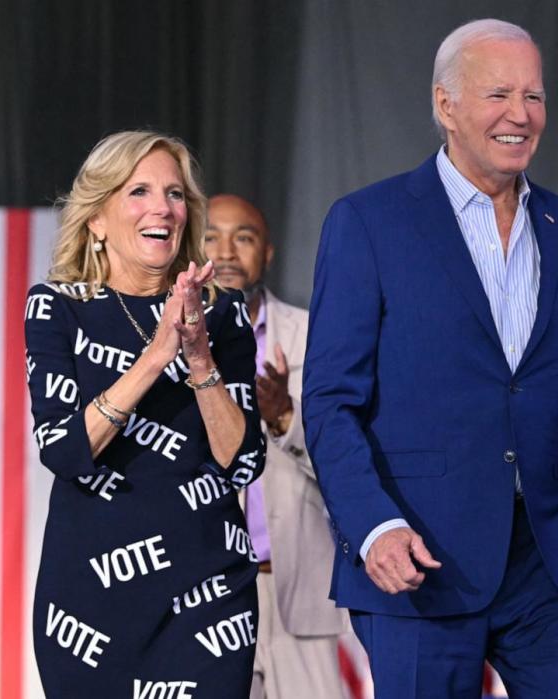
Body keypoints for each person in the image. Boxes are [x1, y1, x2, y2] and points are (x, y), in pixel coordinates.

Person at [302, 18, 558, 698]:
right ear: (445, 105)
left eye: (534, 96)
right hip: (421, 555)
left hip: (548, 564)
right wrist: (374, 525)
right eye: (498, 95)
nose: (521, 115)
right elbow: (329, 401)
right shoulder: (368, 222)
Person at [25, 131, 266, 696]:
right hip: (92, 605)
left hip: (209, 598)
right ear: (98, 220)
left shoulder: (223, 314)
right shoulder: (58, 307)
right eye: (139, 192)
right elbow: (63, 450)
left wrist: (199, 353)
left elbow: (245, 460)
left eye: (175, 194)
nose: (163, 208)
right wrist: (158, 353)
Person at [204, 194, 349, 698]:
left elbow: (349, 456)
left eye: (242, 237)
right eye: (210, 236)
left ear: (266, 253)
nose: (225, 251)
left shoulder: (313, 336)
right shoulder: (169, 339)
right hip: (209, 592)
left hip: (299, 591)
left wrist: (285, 417)